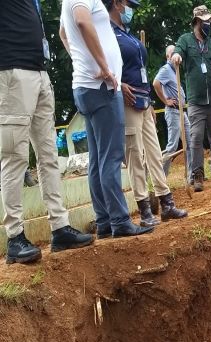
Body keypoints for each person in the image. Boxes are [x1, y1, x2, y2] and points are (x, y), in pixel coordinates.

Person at [0, 0, 94, 264]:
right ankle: (15, 236)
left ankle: (60, 228)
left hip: (39, 72)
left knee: (49, 154)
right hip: (11, 71)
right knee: (14, 157)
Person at [60, 0, 153, 238]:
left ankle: (104, 221)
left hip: (87, 86)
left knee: (97, 159)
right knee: (111, 157)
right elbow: (82, 21)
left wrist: (81, 60)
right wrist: (103, 66)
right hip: (101, 88)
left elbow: (63, 33)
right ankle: (119, 221)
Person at [106, 0, 187, 227]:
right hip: (127, 101)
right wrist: (119, 84)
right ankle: (144, 210)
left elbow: (141, 71)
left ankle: (167, 203)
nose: (130, 9)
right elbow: (103, 64)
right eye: (127, 4)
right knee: (135, 155)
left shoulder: (128, 34)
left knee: (153, 152)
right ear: (116, 4)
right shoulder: (107, 33)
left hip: (144, 100)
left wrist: (151, 102)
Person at [171, 5, 211, 192]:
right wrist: (177, 55)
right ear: (197, 21)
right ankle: (197, 176)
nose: (209, 24)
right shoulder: (185, 40)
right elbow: (177, 50)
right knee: (195, 138)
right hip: (196, 101)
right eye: (206, 21)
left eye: (209, 21)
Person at [153, 45, 192, 178]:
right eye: (171, 53)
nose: (174, 55)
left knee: (189, 142)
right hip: (173, 111)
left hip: (182, 112)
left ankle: (191, 174)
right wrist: (165, 101)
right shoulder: (165, 69)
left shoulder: (175, 70)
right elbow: (155, 83)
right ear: (167, 56)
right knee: (172, 146)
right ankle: (162, 178)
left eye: (175, 52)